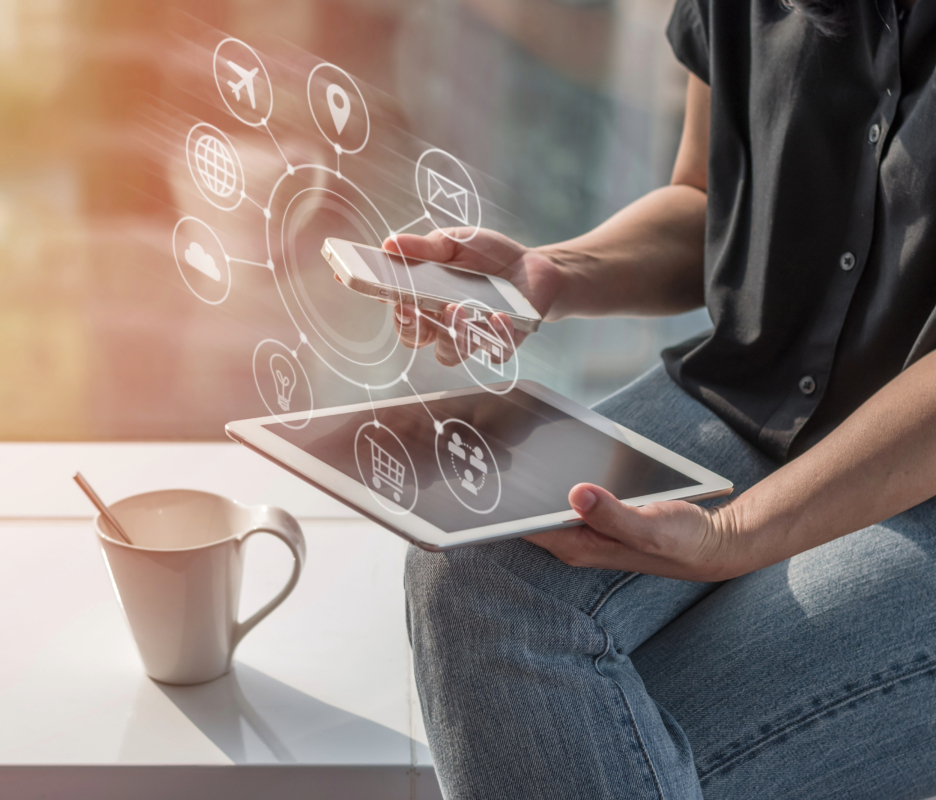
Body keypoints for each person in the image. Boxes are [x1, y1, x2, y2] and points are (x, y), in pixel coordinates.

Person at [391, 0, 936, 797]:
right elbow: (707, 198)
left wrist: (734, 533)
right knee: (473, 557)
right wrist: (558, 273)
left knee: (616, 737)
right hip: (753, 392)